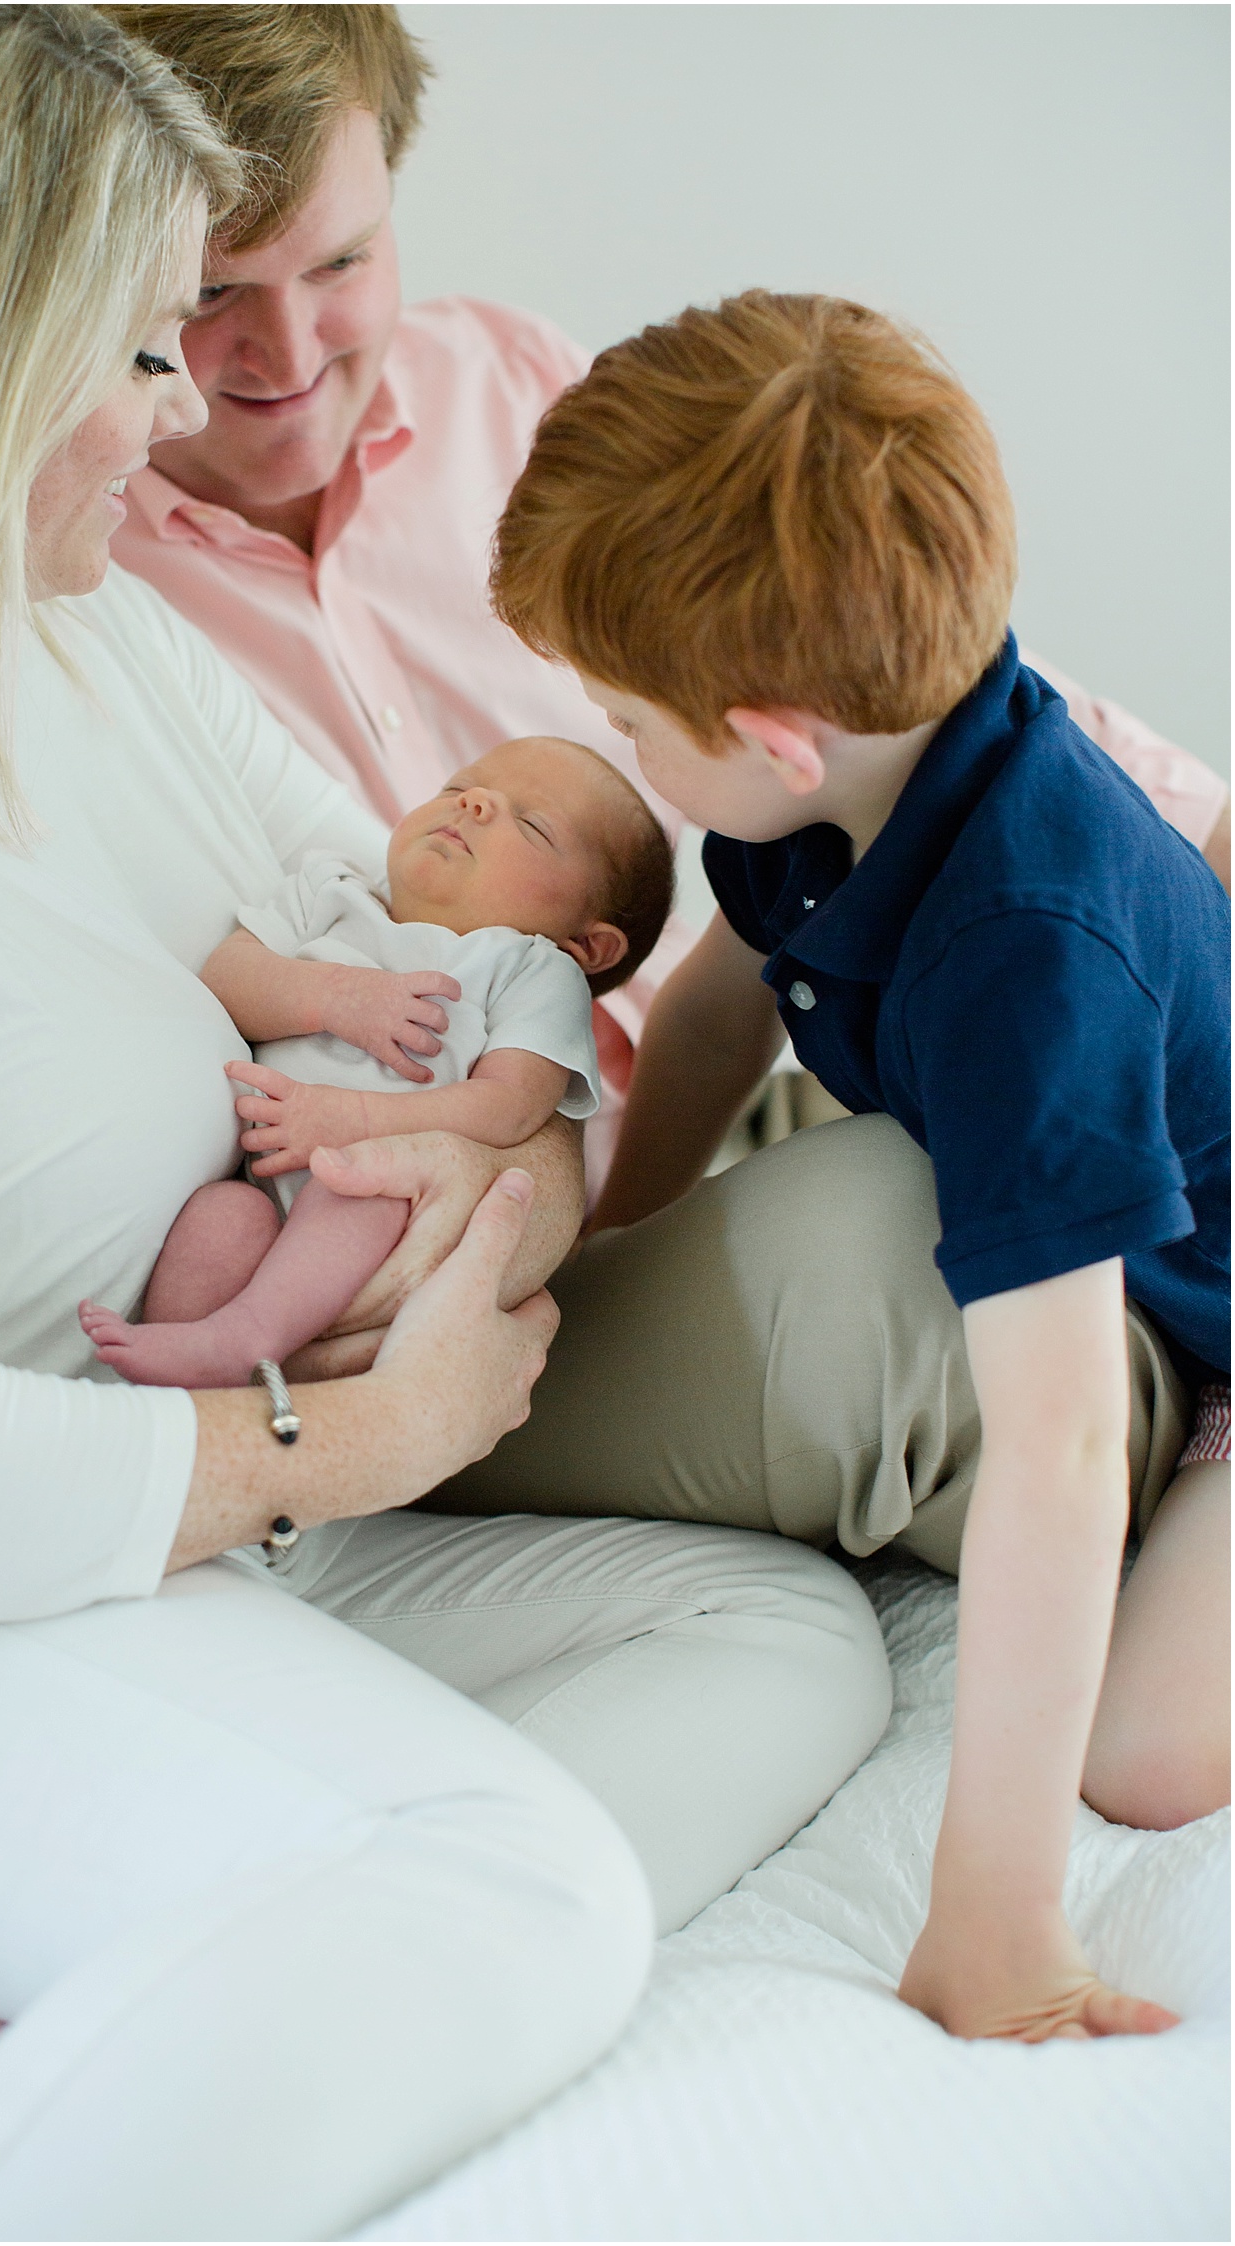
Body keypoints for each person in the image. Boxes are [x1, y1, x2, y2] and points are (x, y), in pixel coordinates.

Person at [0, 14, 894, 2236]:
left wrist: (499, 1177)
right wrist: (362, 1437)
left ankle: (162, 2003)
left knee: (778, 1640)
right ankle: (223, 1989)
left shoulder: (85, 650)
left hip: (191, 1528)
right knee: (527, 1879)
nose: (183, 411)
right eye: (140, 341)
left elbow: (481, 989)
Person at [449, 289, 1230, 2046]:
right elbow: (726, 1000)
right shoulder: (847, 787)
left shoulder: (1028, 948)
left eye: (630, 724)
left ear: (775, 736)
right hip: (984, 1136)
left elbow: (1050, 1437)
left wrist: (998, 1916)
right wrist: (619, 1230)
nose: (626, 767)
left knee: (1153, 1755)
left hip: (1204, 1306)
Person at [103, 3, 1231, 1199]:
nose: (287, 355)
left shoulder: (517, 384)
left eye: (341, 262)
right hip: (526, 1190)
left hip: (831, 1073)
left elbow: (894, 662)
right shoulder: (75, 578)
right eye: (213, 295)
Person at [81, 736, 672, 1390]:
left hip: (378, 1206)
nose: (473, 804)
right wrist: (331, 996)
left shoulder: (531, 970)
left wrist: (356, 1119)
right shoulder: (332, 887)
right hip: (264, 1183)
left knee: (361, 1193)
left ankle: (246, 1338)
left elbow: (510, 1107)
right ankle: (185, 1383)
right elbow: (230, 974)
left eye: (530, 824)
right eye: (459, 789)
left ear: (587, 944)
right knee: (220, 1219)